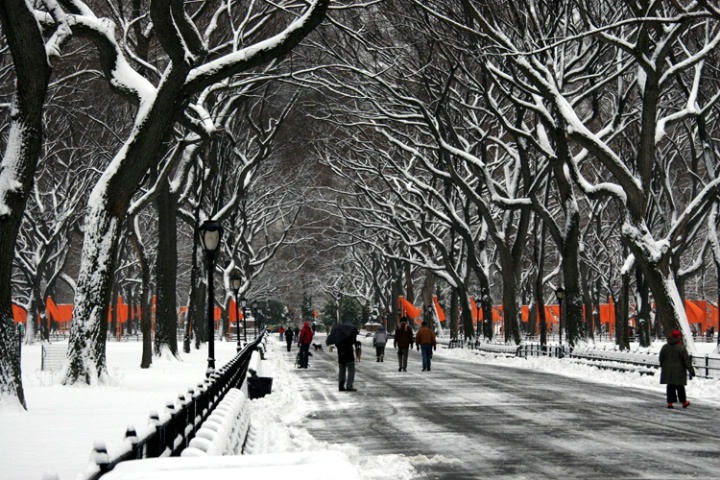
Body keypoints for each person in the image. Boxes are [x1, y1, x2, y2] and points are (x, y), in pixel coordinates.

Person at [659, 329, 695, 409]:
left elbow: (661, 358)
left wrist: (663, 366)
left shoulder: (665, 347)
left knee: (670, 386)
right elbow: (686, 360)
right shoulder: (681, 348)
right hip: (679, 371)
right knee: (680, 386)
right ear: (678, 337)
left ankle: (670, 403)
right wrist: (691, 370)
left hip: (668, 370)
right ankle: (684, 402)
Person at [331, 323, 360, 392]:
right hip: (349, 353)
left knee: (342, 369)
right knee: (351, 369)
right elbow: (353, 341)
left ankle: (341, 386)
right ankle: (349, 386)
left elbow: (336, 343)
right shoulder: (350, 335)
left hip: (341, 354)